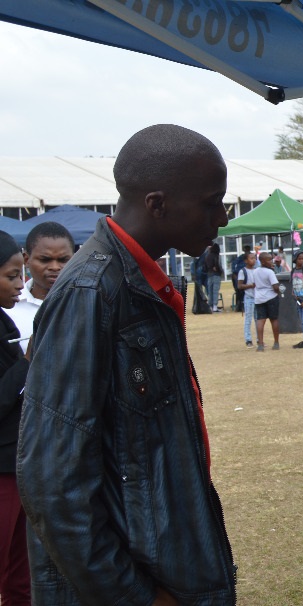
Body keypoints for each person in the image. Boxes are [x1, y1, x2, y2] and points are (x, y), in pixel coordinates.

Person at [16, 124, 236, 605]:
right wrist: (134, 595)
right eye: (211, 202)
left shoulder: (138, 282)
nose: (222, 217)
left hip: (165, 567)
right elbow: (53, 483)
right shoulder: (91, 292)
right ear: (157, 204)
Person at [0, 231, 29, 605]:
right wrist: (27, 363)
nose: (20, 284)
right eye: (11, 276)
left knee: (20, 577)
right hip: (3, 470)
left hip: (16, 463)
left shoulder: (5, 323)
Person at [6, 221, 75, 354]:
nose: (55, 267)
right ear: (26, 259)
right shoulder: (8, 308)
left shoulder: (90, 304)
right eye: (45, 260)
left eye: (63, 260)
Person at [252, 251, 282, 352]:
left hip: (259, 298)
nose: (271, 262)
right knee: (274, 320)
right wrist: (279, 291)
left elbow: (254, 284)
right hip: (271, 297)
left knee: (260, 320)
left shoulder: (255, 271)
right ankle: (276, 343)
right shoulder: (270, 272)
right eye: (269, 260)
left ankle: (260, 344)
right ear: (263, 261)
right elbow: (275, 287)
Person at [236, 251, 258, 348]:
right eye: (251, 258)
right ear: (246, 260)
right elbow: (240, 285)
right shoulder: (243, 271)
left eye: (254, 258)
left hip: (257, 298)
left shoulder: (257, 270)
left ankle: (259, 339)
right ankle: (248, 339)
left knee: (258, 319)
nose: (254, 260)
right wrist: (250, 286)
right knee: (248, 319)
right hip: (249, 298)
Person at [231, 243, 253, 310]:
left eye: (247, 249)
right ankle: (239, 305)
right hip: (239, 274)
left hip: (248, 274)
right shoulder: (242, 256)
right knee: (238, 289)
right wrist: (234, 272)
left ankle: (243, 304)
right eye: (245, 249)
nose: (246, 250)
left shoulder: (252, 256)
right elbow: (234, 263)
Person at [204, 241, 223, 312]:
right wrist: (220, 271)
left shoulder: (207, 256)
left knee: (210, 291)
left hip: (209, 275)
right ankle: (215, 306)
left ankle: (210, 306)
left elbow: (205, 266)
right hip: (216, 275)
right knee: (215, 291)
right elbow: (218, 265)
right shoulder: (216, 256)